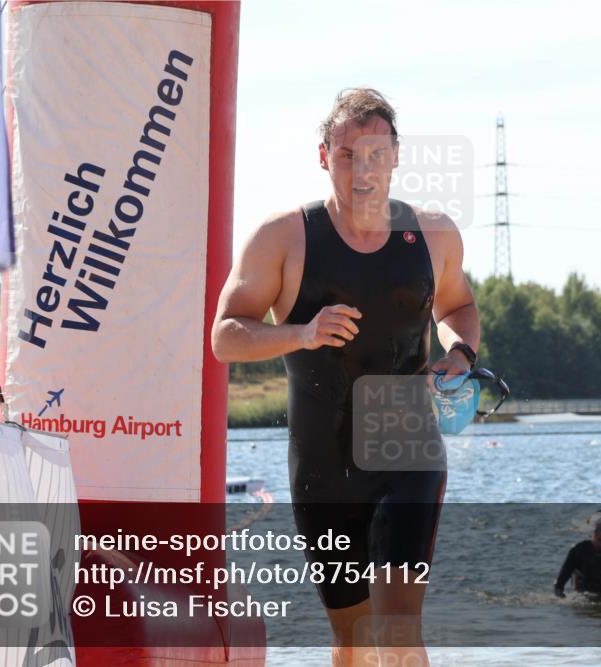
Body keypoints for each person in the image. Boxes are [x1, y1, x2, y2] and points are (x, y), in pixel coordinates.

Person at [212, 88, 480, 667]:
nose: (363, 170)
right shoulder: (283, 236)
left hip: (407, 448)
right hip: (322, 465)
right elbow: (225, 335)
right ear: (322, 156)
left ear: (397, 157)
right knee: (354, 644)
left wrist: (459, 355)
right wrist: (302, 333)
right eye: (347, 155)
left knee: (397, 635)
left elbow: (457, 308)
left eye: (377, 154)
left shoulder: (433, 235)